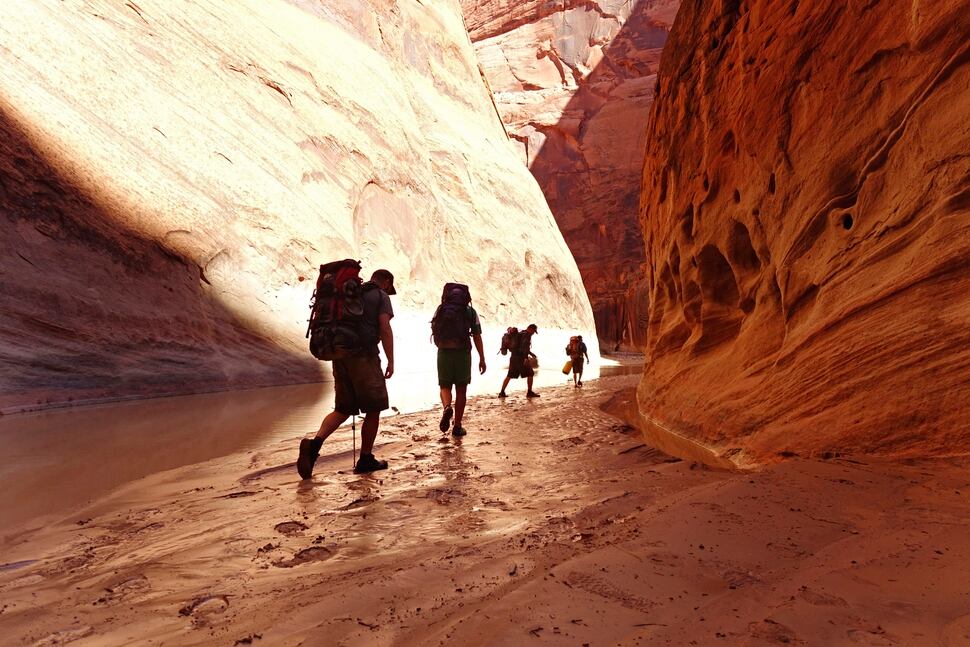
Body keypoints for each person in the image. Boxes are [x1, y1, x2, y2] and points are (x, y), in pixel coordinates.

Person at [297, 268, 396, 478]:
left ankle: (314, 446)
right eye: (389, 286)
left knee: (343, 409)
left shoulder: (352, 292)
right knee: (374, 407)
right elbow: (385, 327)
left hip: (340, 356)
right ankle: (366, 458)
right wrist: (390, 360)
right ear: (386, 282)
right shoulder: (380, 295)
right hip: (365, 357)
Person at [433, 285, 486, 437]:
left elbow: (435, 330)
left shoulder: (441, 309)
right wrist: (482, 358)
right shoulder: (470, 312)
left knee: (444, 386)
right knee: (461, 390)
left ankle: (447, 407)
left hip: (444, 352)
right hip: (463, 353)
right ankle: (457, 426)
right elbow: (477, 336)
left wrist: (442, 346)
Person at [499, 323, 539, 398]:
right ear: (530, 328)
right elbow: (524, 347)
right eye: (533, 331)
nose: (533, 333)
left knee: (509, 375)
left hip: (513, 357)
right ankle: (529, 392)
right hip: (520, 358)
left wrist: (531, 353)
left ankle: (502, 392)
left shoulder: (520, 333)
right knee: (530, 373)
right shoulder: (527, 335)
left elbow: (521, 346)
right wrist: (526, 358)